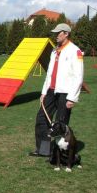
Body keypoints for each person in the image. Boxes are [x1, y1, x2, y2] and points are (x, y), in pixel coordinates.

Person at [29, 23, 84, 157]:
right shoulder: (54, 51)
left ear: (66, 34)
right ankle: (43, 150)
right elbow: (49, 73)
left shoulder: (74, 51)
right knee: (41, 118)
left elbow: (79, 75)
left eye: (58, 33)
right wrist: (43, 92)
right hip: (51, 91)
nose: (55, 36)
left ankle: (59, 154)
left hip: (65, 93)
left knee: (61, 124)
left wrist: (72, 97)